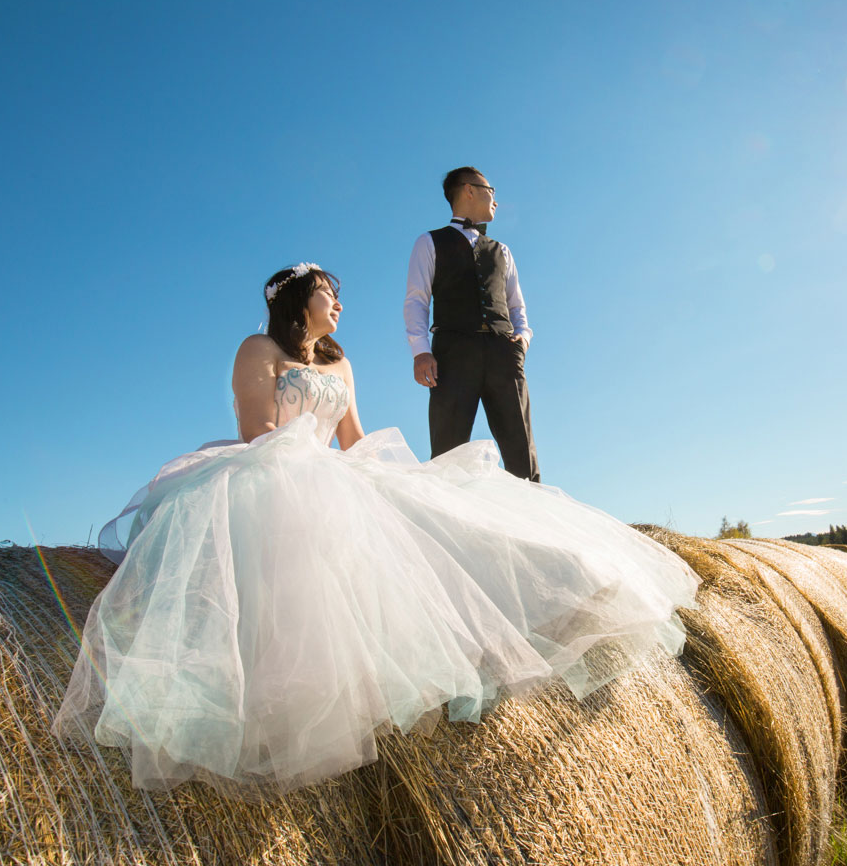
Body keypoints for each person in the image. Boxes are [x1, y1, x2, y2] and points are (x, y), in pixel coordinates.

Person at [53, 263, 698, 792]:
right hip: (273, 470)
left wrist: (392, 480)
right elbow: (256, 429)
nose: (338, 307)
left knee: (449, 521)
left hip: (334, 470)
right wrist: (309, 468)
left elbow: (354, 438)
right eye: (330, 295)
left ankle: (561, 597)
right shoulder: (258, 349)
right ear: (299, 300)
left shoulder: (340, 362)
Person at [405, 166, 539, 481]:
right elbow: (416, 300)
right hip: (452, 355)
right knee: (447, 453)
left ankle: (530, 526)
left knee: (521, 449)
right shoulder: (429, 242)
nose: (495, 199)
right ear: (469, 189)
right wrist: (420, 351)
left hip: (503, 353)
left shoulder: (502, 251)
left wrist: (522, 339)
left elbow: (516, 305)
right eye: (490, 190)